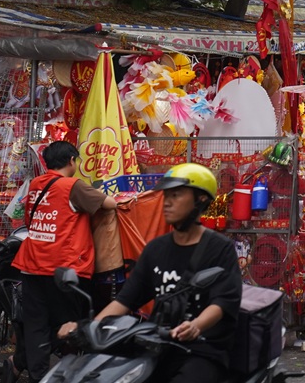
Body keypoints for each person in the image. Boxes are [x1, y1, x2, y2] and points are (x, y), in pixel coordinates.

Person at [60, 163, 241, 383]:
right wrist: (91, 330)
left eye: (176, 195)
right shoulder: (156, 249)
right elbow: (127, 299)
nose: (167, 202)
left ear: (201, 200)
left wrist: (196, 325)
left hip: (202, 349)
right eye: (166, 195)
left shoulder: (219, 248)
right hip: (157, 345)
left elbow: (222, 302)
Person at [12, 141, 117, 382]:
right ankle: (72, 374)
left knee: (36, 325)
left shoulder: (36, 184)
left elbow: (29, 218)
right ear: (71, 160)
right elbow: (109, 204)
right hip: (63, 267)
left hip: (31, 264)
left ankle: (37, 376)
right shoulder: (73, 186)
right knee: (71, 325)